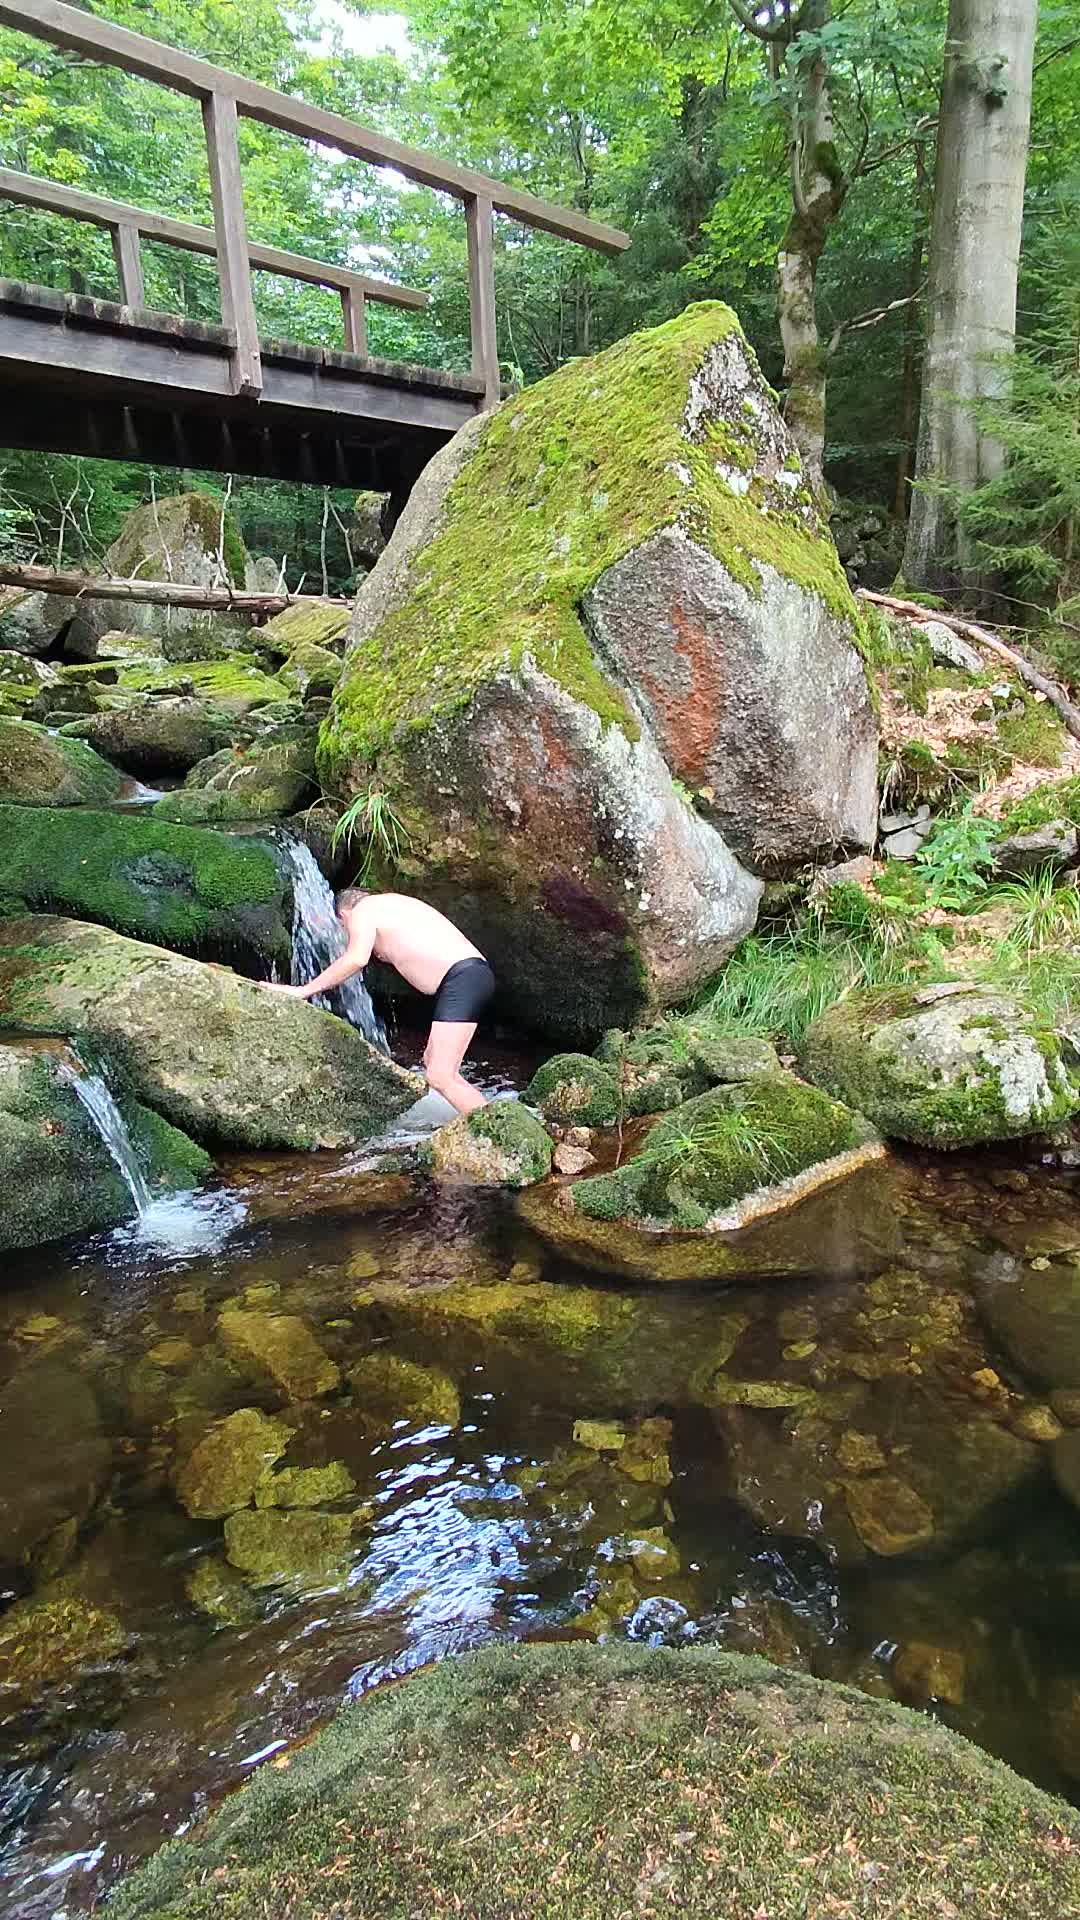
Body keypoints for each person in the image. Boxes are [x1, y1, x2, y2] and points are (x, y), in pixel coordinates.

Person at [259, 888, 495, 1115]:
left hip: (461, 979)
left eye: (344, 928)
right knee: (433, 1062)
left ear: (344, 915)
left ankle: (498, 1136)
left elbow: (357, 958)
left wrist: (304, 991)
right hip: (469, 976)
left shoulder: (362, 911)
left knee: (439, 1075)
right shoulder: (393, 904)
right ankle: (488, 1115)